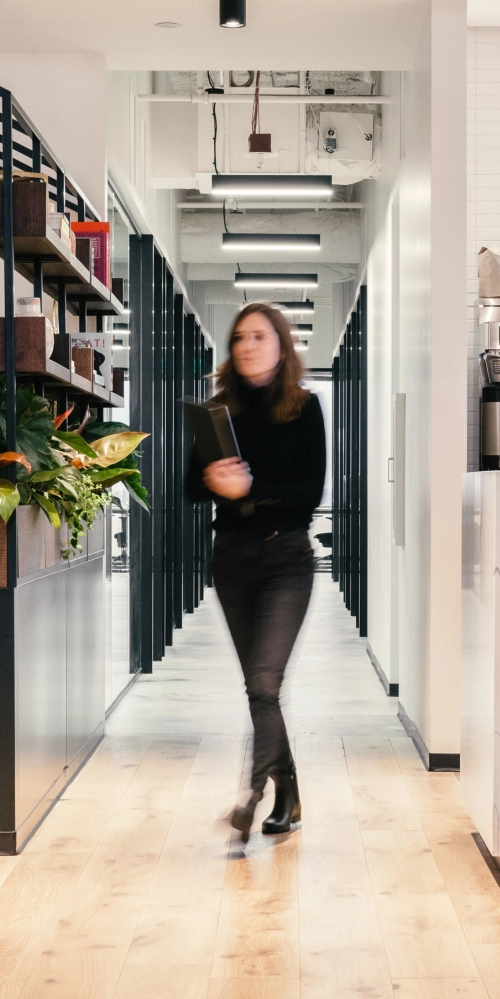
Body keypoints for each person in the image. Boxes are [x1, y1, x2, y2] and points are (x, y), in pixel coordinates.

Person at [186, 302, 327, 841]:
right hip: (233, 562)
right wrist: (214, 481)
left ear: (281, 346)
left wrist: (251, 490)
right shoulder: (219, 410)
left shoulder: (305, 408)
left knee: (265, 680)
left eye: (260, 336)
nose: (248, 345)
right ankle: (288, 792)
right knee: (259, 687)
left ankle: (253, 792)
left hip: (286, 559)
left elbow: (309, 494)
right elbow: (191, 486)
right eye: (239, 337)